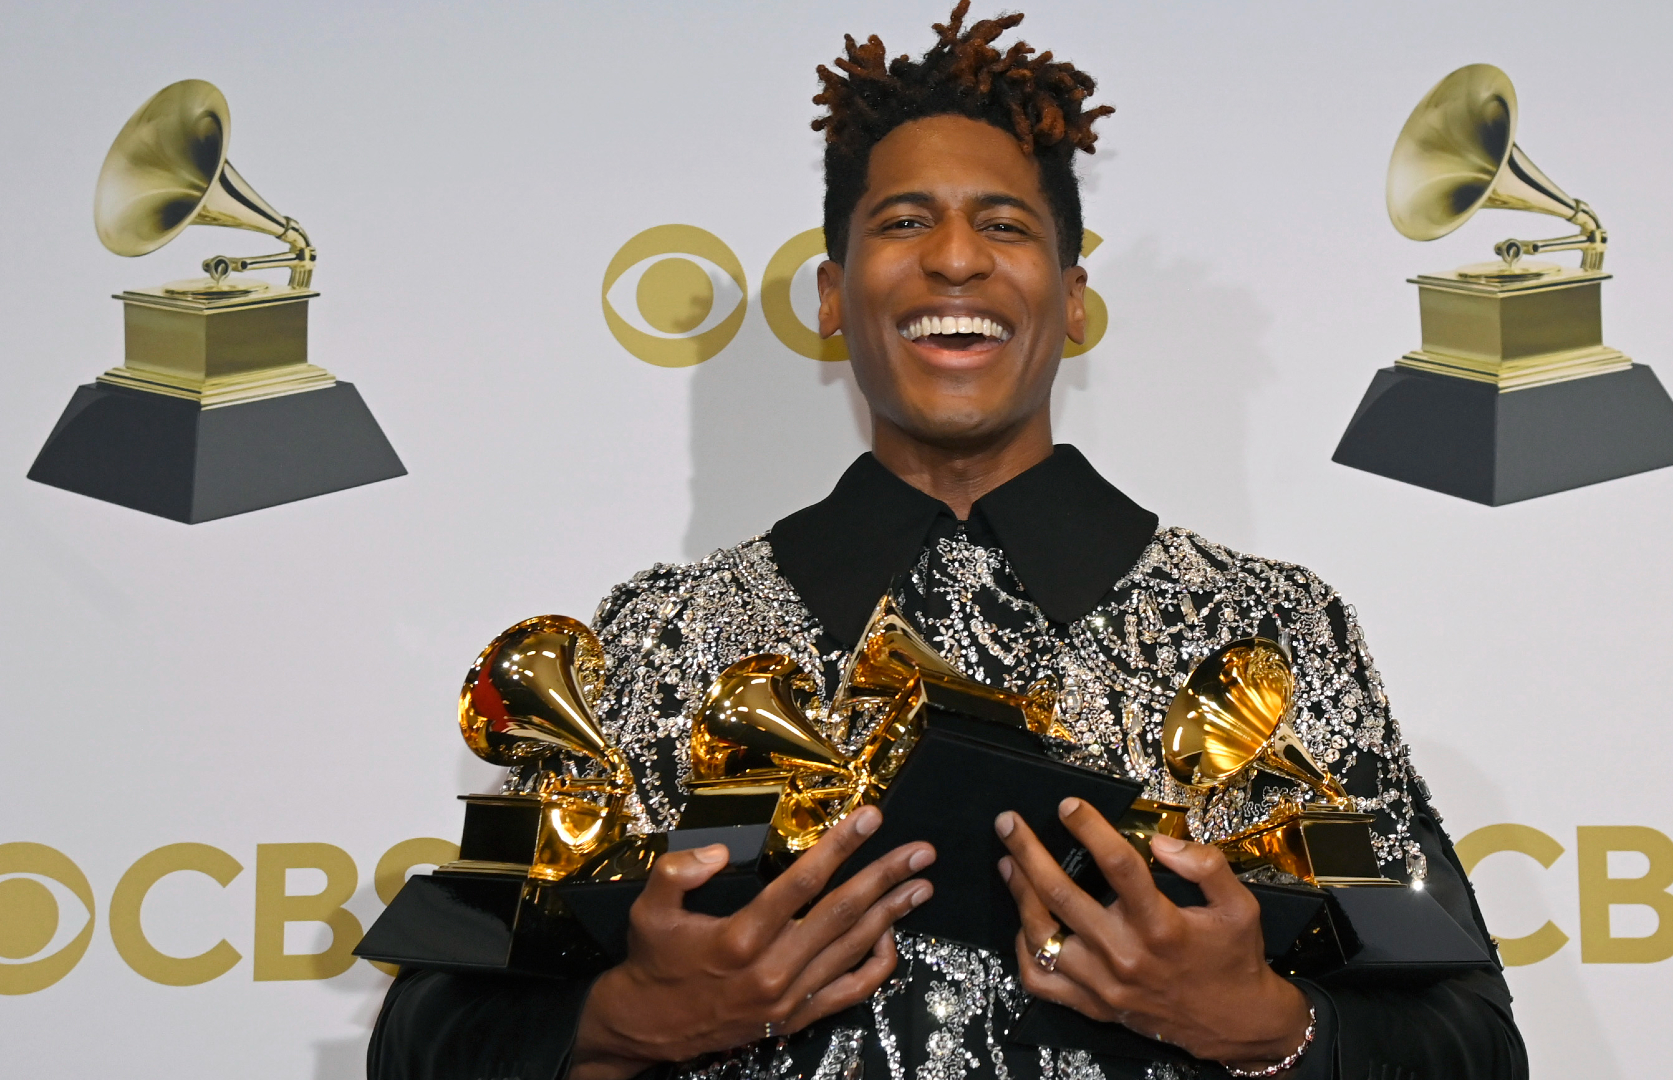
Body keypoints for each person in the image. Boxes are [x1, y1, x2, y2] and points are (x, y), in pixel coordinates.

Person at [369, 5, 1525, 1078]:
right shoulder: (662, 635)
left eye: (1004, 224)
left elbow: (1471, 1044)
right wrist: (625, 1020)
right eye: (905, 220)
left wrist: (1269, 1024)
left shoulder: (1269, 631)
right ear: (832, 295)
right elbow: (422, 1039)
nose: (956, 258)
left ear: (1072, 299)